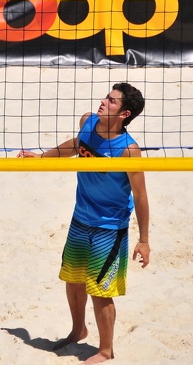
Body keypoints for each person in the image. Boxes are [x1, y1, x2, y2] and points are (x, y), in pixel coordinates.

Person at [18, 82, 150, 364]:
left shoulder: (128, 150)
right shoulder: (88, 121)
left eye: (111, 101)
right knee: (73, 280)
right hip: (81, 219)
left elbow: (140, 195)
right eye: (106, 97)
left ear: (124, 113)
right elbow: (75, 146)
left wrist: (144, 240)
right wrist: (42, 157)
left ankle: (105, 350)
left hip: (110, 227)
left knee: (100, 292)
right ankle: (78, 329)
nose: (103, 102)